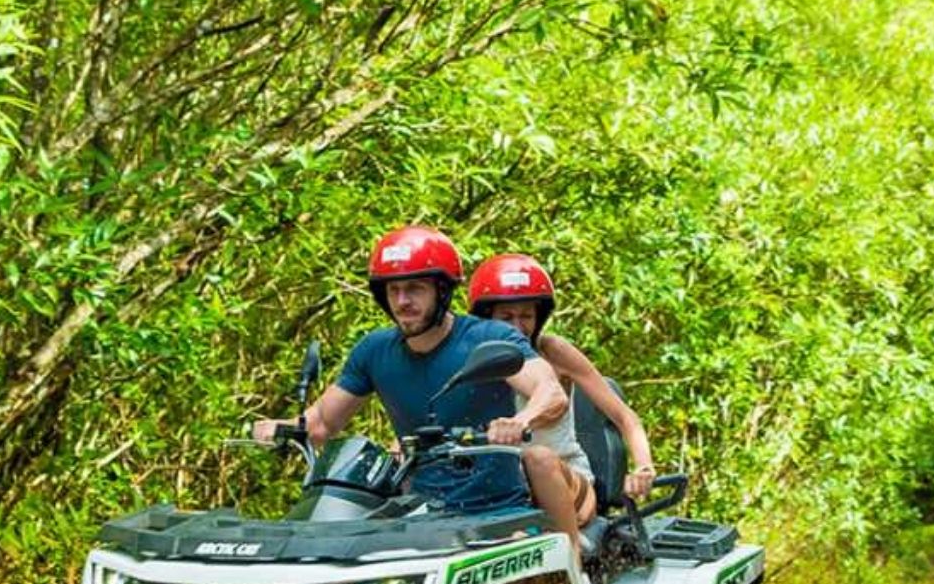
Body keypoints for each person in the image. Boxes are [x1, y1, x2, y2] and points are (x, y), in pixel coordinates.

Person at [253, 226, 582, 537]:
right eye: (393, 290)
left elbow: (550, 393)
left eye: (414, 288)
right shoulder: (374, 350)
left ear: (441, 291)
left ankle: (576, 580)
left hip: (496, 512)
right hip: (417, 514)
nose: (402, 301)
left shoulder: (489, 337)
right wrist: (278, 427)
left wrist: (519, 421)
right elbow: (322, 423)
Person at [467, 253, 659, 536]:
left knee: (539, 458)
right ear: (488, 318)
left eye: (526, 316)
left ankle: (573, 559)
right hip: (499, 491)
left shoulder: (553, 352)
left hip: (567, 482)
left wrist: (644, 467)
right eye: (506, 318)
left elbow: (625, 417)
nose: (517, 327)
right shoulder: (470, 361)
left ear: (539, 317)